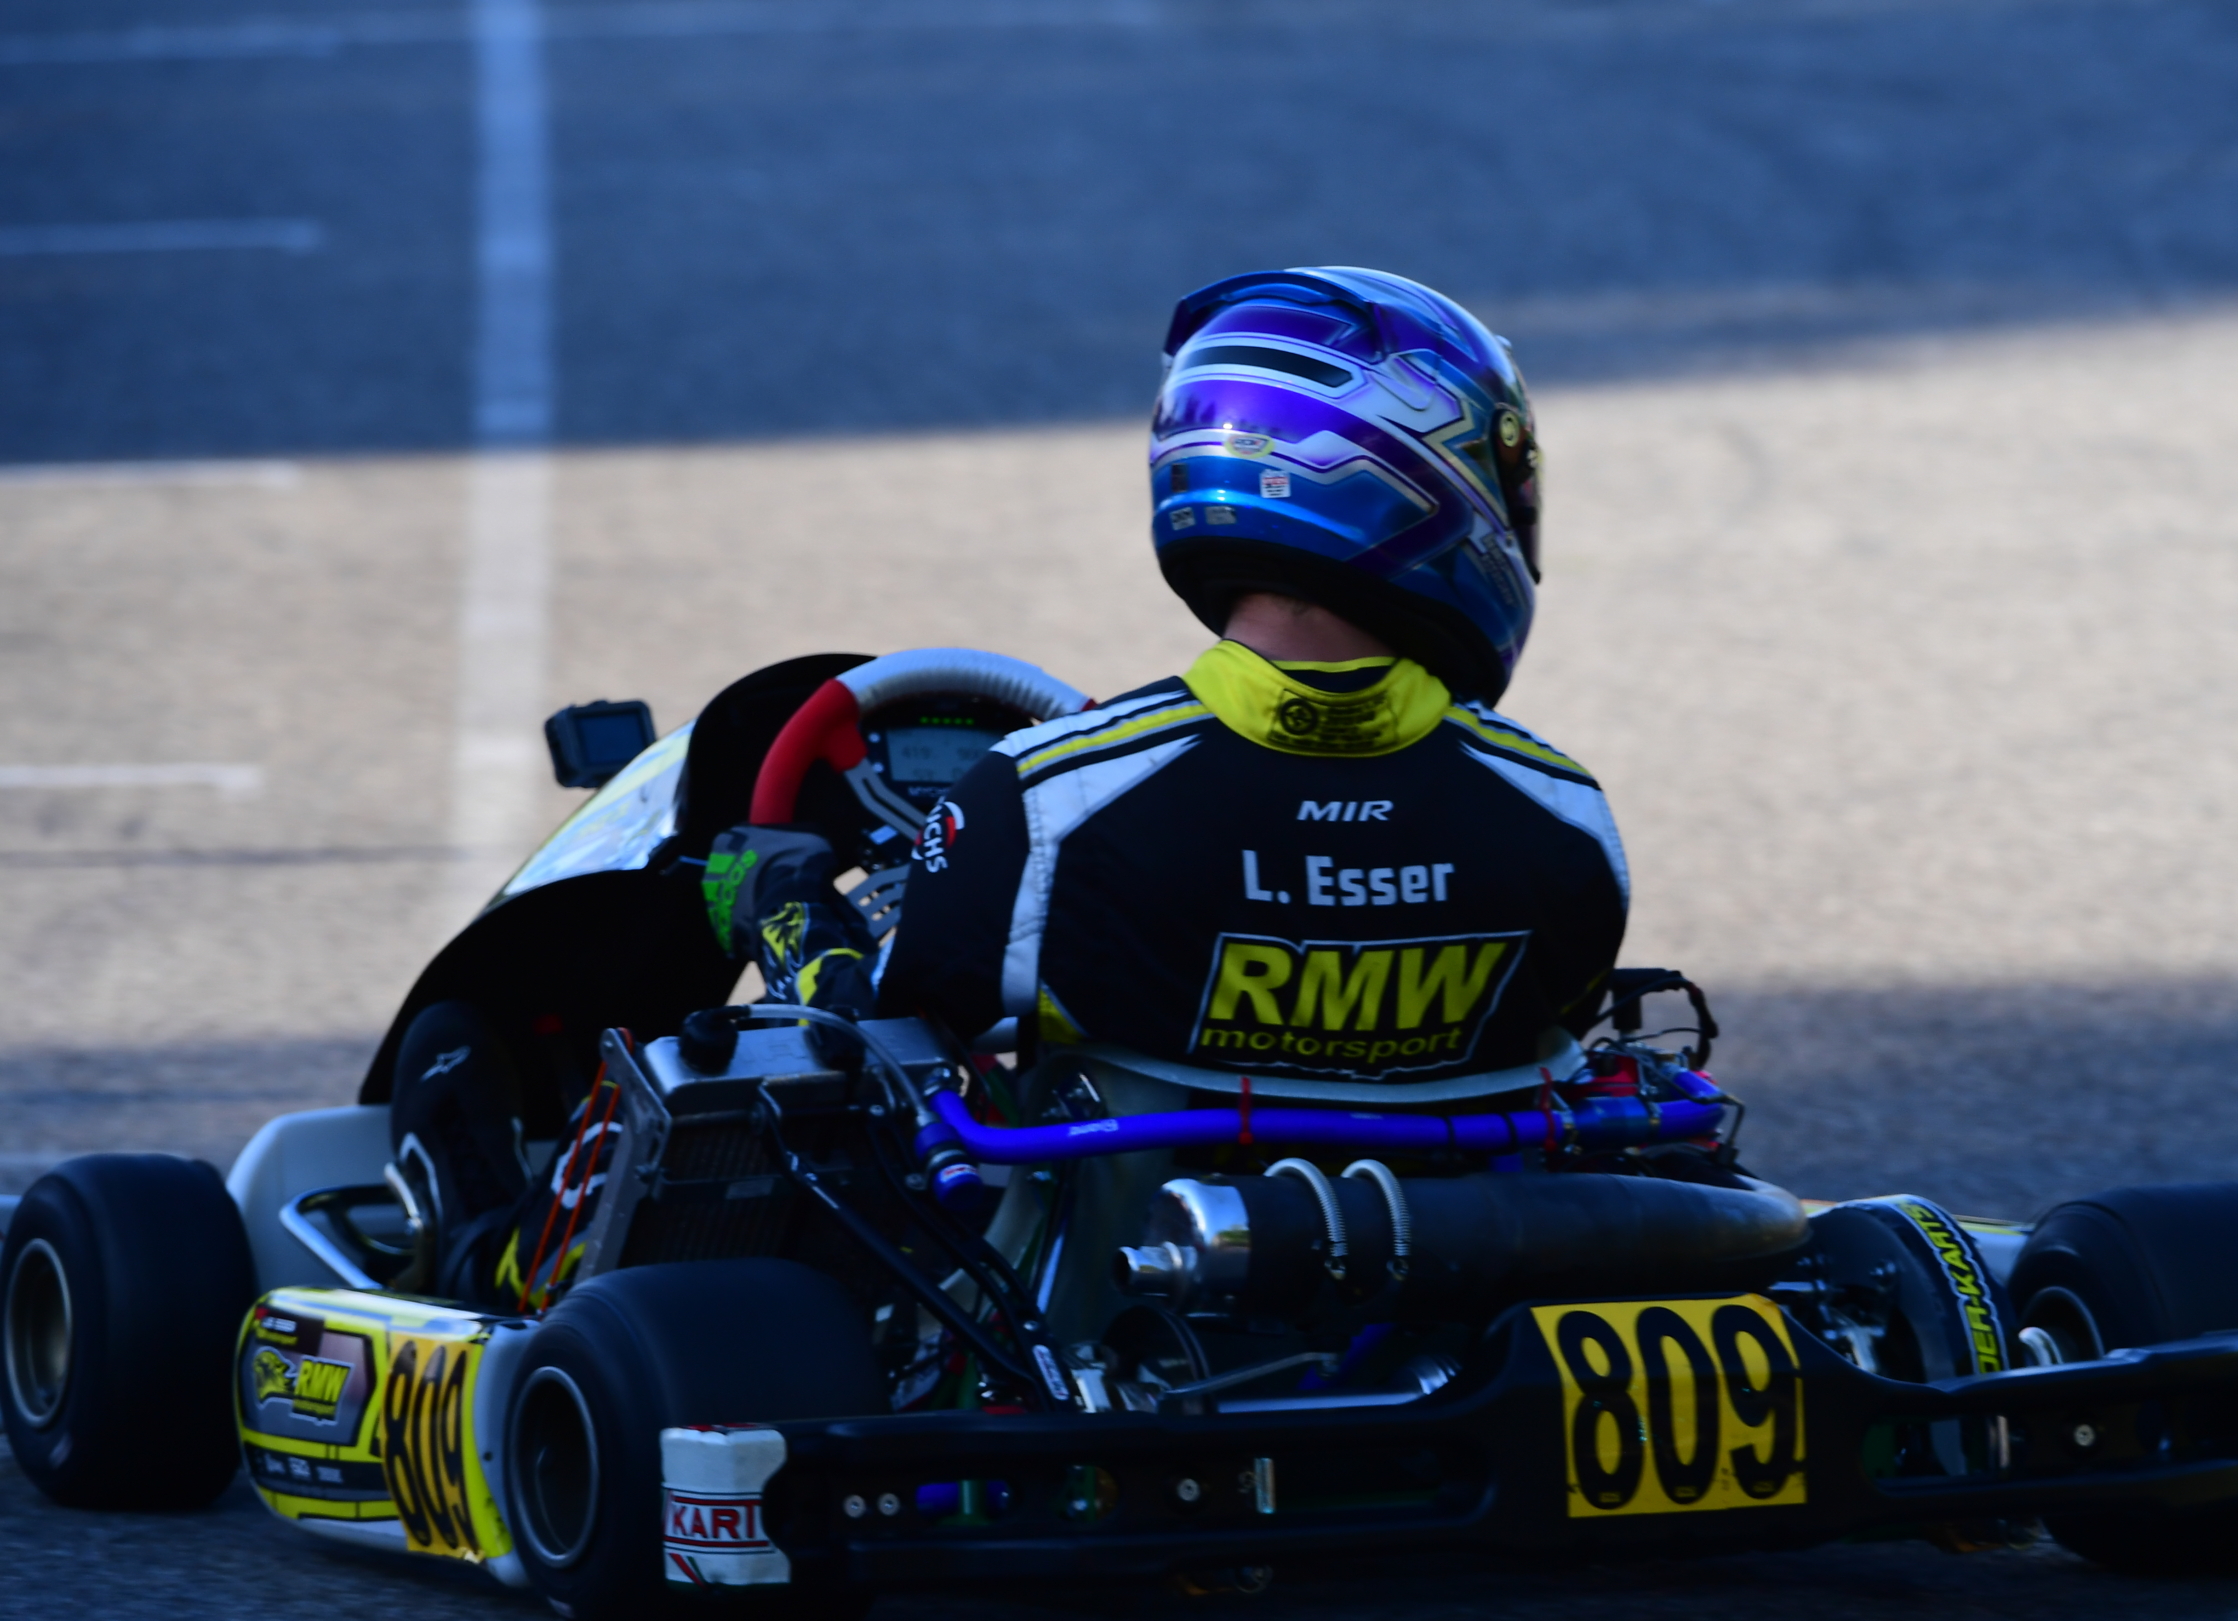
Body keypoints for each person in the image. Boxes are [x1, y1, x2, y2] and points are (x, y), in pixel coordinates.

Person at [398, 267, 1632, 1307]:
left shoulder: (1050, 802)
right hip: (1424, 1309)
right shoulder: (1561, 814)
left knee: (749, 1085)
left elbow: (869, 1033)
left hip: (1104, 1324)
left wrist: (784, 904)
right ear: (1421, 486)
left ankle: (480, 1253)